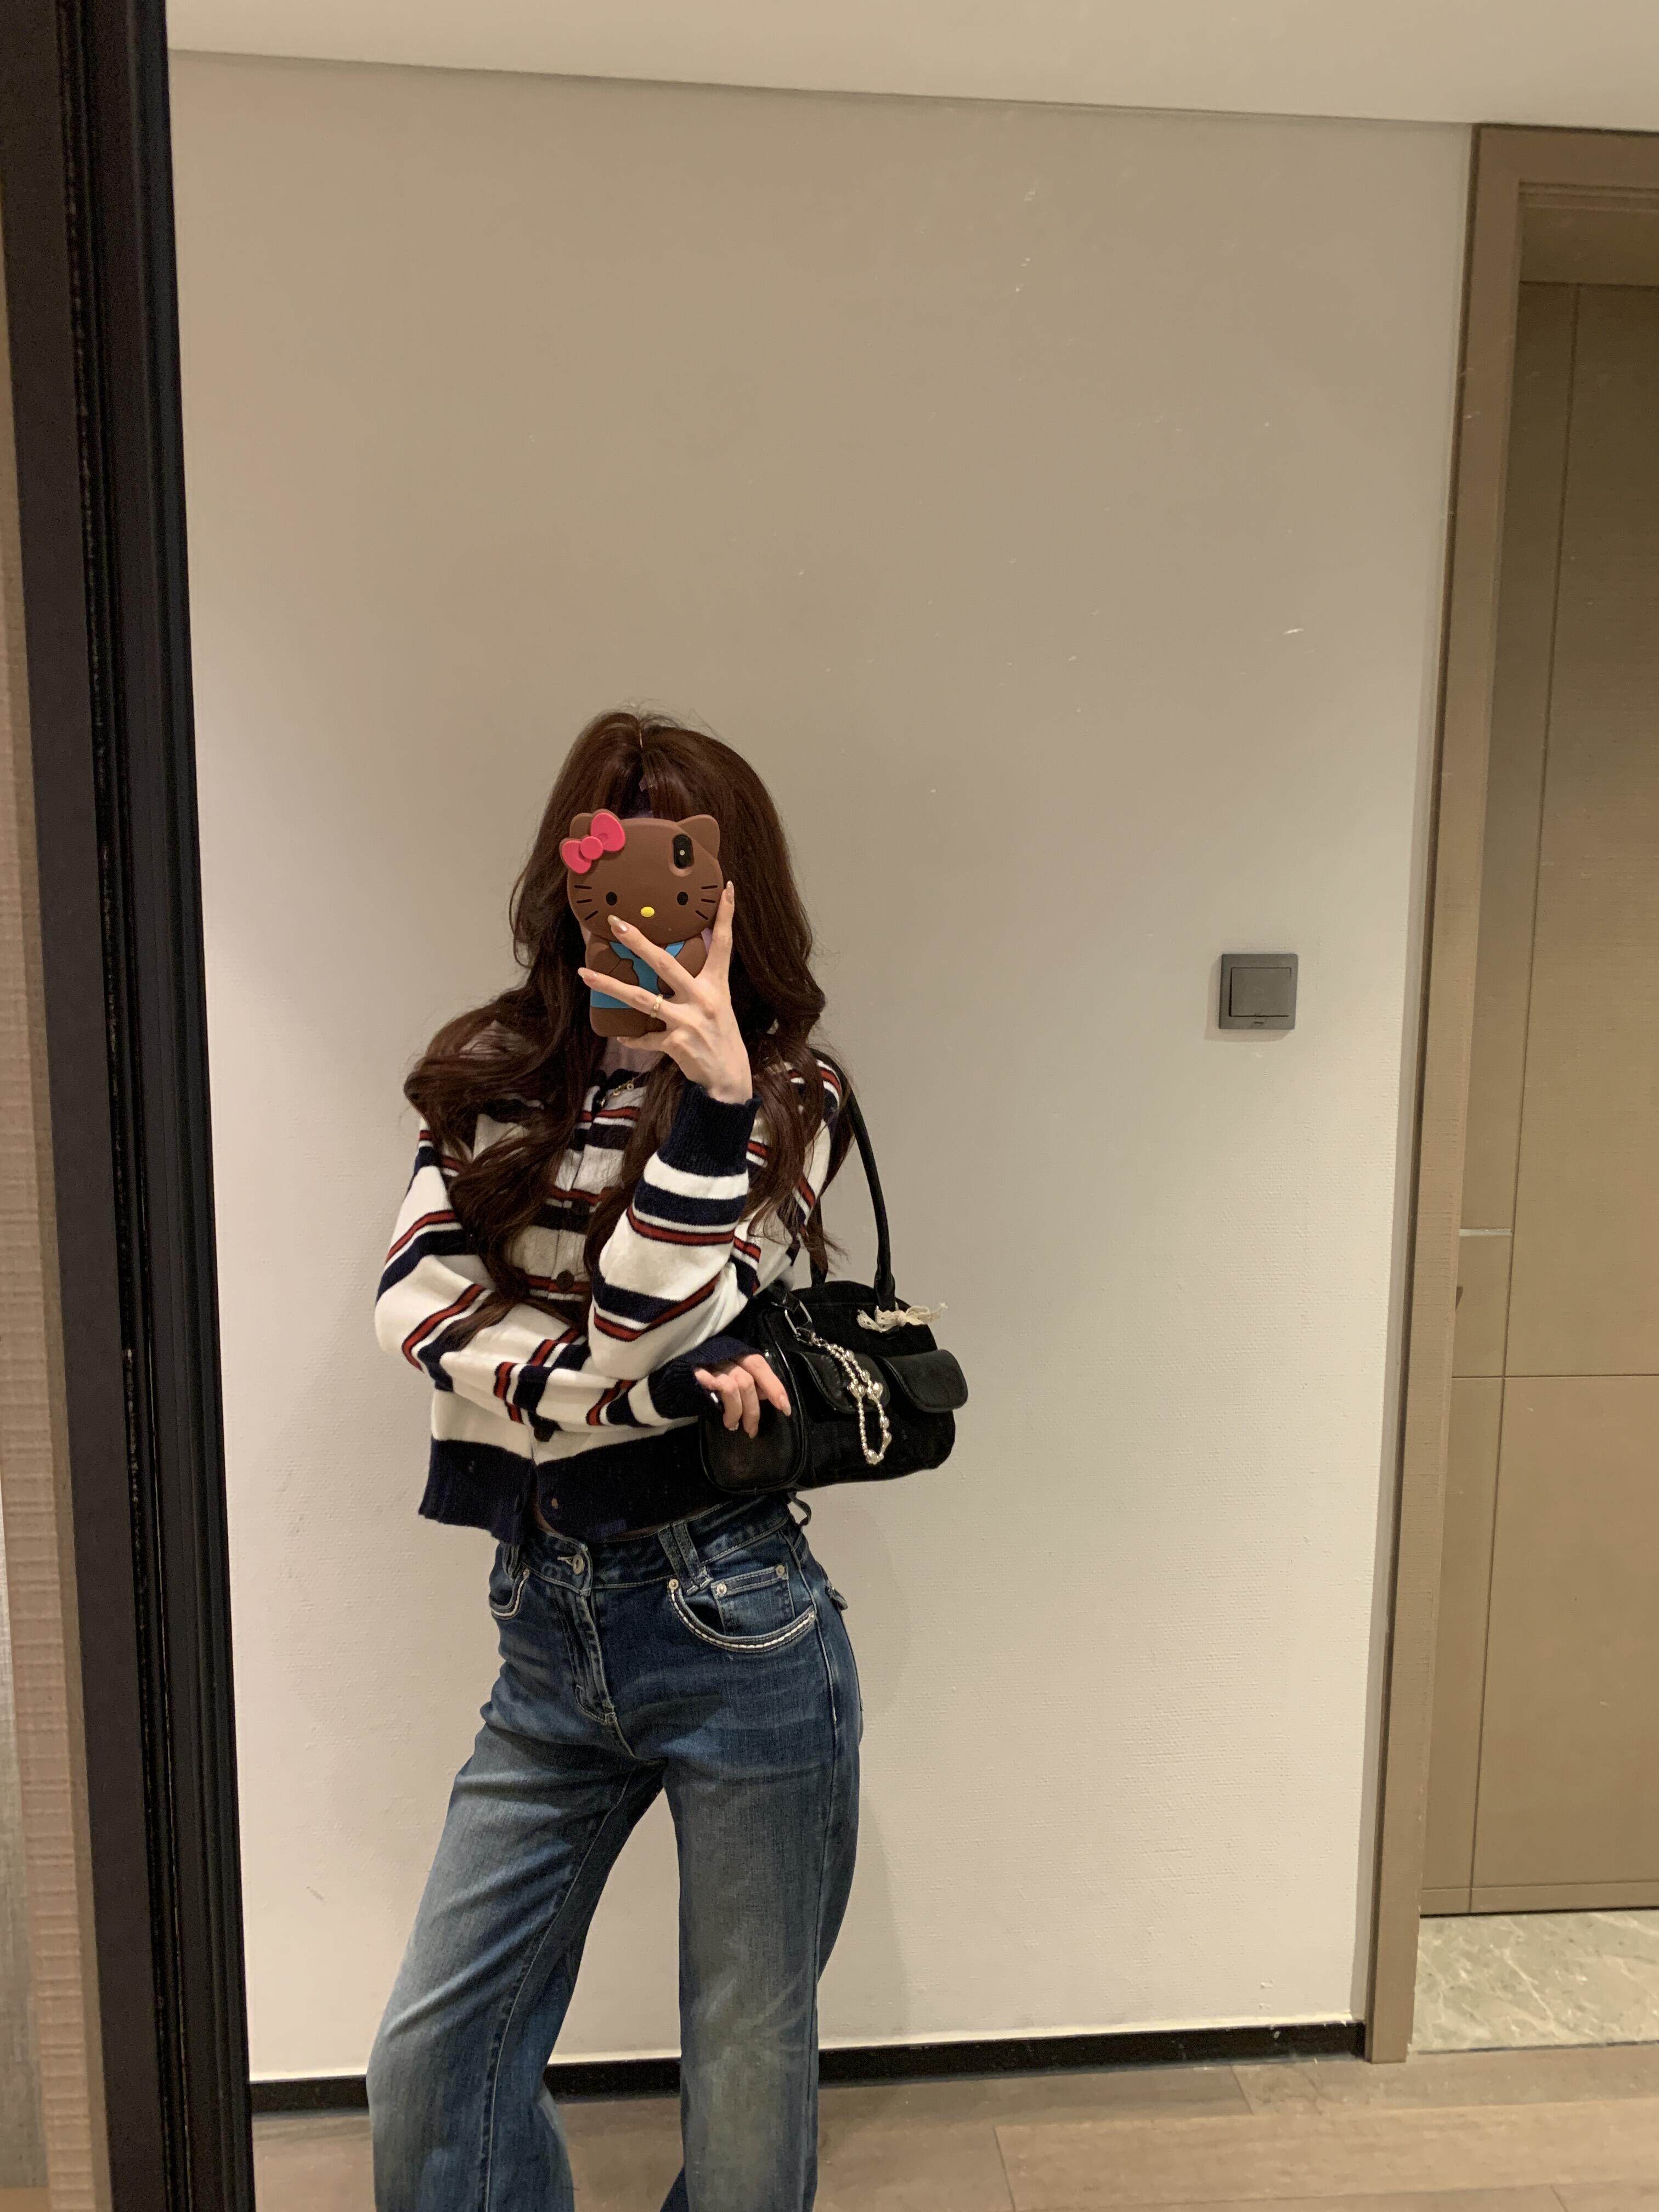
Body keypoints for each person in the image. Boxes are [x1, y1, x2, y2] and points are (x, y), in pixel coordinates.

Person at [365, 709, 860, 2212]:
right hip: (544, 1624)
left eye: (676, 867)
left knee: (747, 2068)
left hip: (734, 1619)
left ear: (729, 887)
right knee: (431, 2061)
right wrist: (635, 1388)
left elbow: (640, 1316)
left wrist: (712, 1103)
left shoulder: (788, 1098)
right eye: (610, 865)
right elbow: (413, 1312)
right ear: (568, 880)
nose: (642, 902)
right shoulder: (492, 1073)